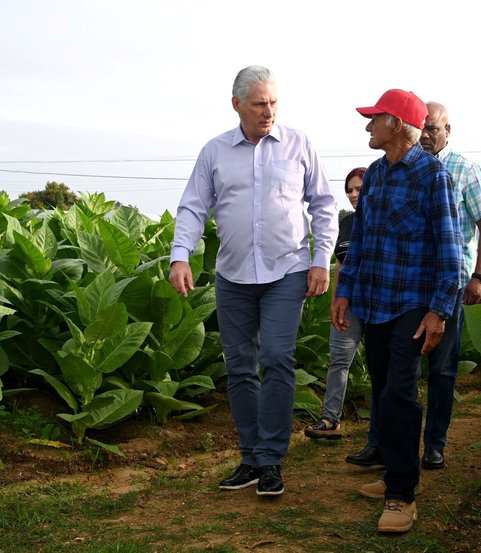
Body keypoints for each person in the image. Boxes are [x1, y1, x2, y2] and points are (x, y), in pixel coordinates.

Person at [169, 65, 338, 497]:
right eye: (260, 103)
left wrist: (320, 259)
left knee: (278, 358)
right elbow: (192, 207)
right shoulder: (214, 152)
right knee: (239, 366)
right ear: (237, 104)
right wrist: (180, 256)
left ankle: (272, 460)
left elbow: (322, 204)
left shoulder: (299, 144)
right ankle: (250, 456)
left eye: (274, 102)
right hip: (234, 274)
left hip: (288, 269)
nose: (269, 111)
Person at [333, 89, 461, 533]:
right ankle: (394, 471)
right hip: (376, 302)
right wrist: (344, 292)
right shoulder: (375, 174)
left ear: (399, 125)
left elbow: (450, 251)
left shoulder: (433, 177)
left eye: (375, 119)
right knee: (384, 386)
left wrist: (439, 311)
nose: (368, 126)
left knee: (400, 395)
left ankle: (401, 494)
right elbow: (362, 241)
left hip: (413, 304)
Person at [416, 101, 481, 471]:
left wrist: (479, 276)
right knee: (399, 365)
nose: (426, 134)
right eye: (421, 127)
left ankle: (434, 444)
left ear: (449, 130)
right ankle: (385, 442)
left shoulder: (466, 170)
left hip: (450, 284)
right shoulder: (408, 167)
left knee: (443, 369)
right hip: (409, 284)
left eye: (433, 127)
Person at [304, 168, 381, 464]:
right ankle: (330, 420)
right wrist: (337, 301)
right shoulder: (346, 224)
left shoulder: (382, 218)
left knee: (380, 367)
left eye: (359, 188)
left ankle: (380, 428)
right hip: (350, 304)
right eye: (349, 189)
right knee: (338, 361)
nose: (353, 194)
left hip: (379, 305)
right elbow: (340, 266)